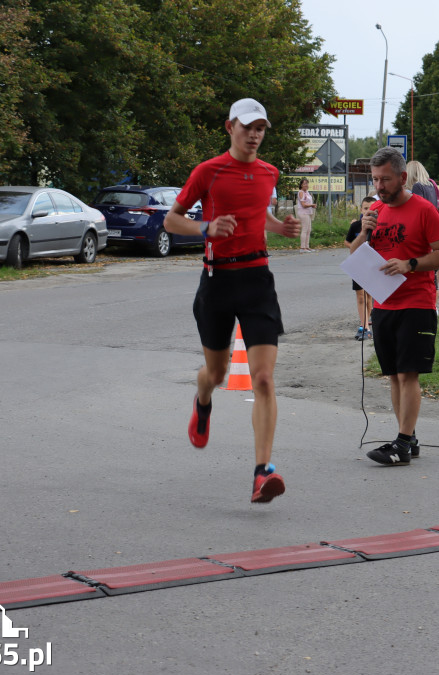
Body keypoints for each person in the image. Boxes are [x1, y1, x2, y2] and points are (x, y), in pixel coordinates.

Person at [163, 97, 300, 504]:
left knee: (263, 378)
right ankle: (202, 400)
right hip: (217, 280)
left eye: (261, 129)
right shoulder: (208, 171)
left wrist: (281, 228)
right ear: (230, 128)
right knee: (217, 373)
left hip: (257, 278)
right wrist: (207, 227)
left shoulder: (269, 172)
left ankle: (262, 472)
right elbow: (171, 220)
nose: (255, 135)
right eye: (248, 127)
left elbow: (259, 217)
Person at [350, 147, 439, 466]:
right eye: (375, 179)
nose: (379, 186)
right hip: (383, 305)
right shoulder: (375, 210)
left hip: (417, 303)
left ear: (403, 178)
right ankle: (407, 434)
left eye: (385, 179)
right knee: (393, 375)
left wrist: (410, 264)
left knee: (408, 374)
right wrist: (364, 231)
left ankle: (403, 443)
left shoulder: (423, 210)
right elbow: (353, 254)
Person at [345, 197, 375, 339]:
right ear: (361, 210)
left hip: (372, 266)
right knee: (360, 296)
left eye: (371, 208)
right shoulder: (356, 226)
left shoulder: (379, 226)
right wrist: (357, 247)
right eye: (365, 208)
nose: (368, 211)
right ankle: (364, 326)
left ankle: (368, 321)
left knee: (369, 296)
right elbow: (347, 242)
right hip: (358, 265)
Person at [296, 178, 316, 252]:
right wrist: (311, 205)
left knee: (308, 230)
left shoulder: (307, 192)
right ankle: (302, 247)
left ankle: (307, 246)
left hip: (308, 212)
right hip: (303, 213)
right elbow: (303, 205)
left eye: (307, 183)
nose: (306, 185)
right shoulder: (301, 192)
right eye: (304, 184)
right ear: (301, 185)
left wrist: (312, 205)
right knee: (304, 229)